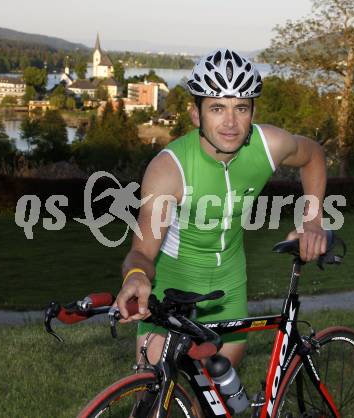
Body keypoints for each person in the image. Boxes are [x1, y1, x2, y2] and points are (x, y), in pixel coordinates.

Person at [115, 48, 327, 368]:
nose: (230, 122)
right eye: (217, 108)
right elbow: (142, 252)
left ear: (252, 113)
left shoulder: (269, 145)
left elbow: (313, 156)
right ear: (196, 114)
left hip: (229, 287)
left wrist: (312, 220)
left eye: (240, 108)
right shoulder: (169, 169)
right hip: (172, 287)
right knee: (154, 387)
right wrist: (135, 276)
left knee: (218, 395)